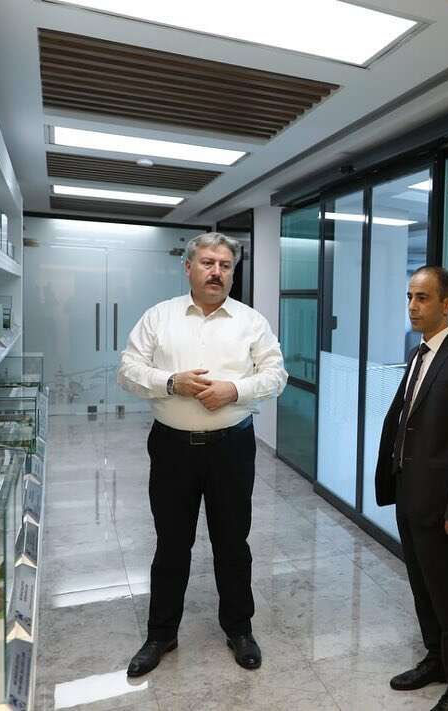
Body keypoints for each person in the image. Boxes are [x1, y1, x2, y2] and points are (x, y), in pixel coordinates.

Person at [117, 232, 287, 677]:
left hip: (232, 448)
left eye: (225, 265)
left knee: (233, 542)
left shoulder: (251, 322)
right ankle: (161, 634)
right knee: (172, 543)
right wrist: (171, 382)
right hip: (172, 448)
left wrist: (236, 390)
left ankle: (239, 629)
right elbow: (128, 371)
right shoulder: (159, 317)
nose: (217, 272)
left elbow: (276, 375)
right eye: (208, 263)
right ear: (188, 267)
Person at [374, 266, 448, 711]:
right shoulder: (418, 353)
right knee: (422, 588)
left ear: (447, 304)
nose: (412, 306)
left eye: (422, 298)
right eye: (410, 297)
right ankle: (437, 659)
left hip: (441, 502)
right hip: (409, 491)